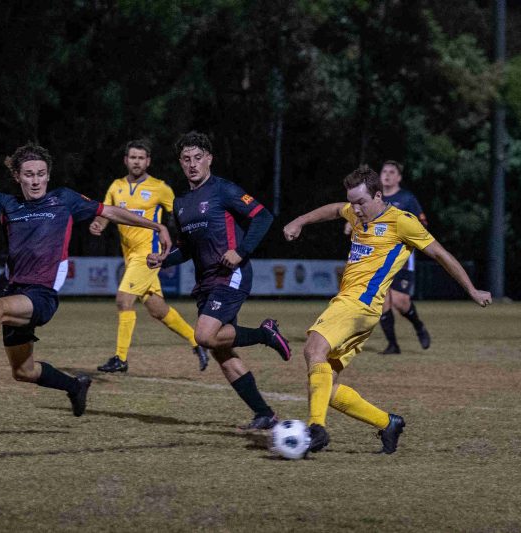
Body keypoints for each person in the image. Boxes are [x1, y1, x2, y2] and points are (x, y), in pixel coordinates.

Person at [0, 143, 171, 418]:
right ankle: (75, 386)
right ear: (17, 176)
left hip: (42, 296)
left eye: (41, 174)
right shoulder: (8, 204)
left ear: (48, 176)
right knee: (23, 371)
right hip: (17, 292)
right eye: (29, 174)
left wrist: (156, 225)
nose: (35, 181)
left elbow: (110, 211)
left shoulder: (64, 200)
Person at [283, 165, 491, 454]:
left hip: (359, 303)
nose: (355, 209)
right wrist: (299, 221)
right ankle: (388, 423)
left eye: (361, 202)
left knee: (313, 349)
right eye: (353, 203)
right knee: (325, 385)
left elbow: (441, 254)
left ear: (378, 196)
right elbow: (334, 210)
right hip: (360, 308)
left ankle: (316, 429)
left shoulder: (401, 222)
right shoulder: (356, 213)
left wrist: (471, 290)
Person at [147, 131, 293, 430]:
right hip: (205, 283)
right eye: (186, 159)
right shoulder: (181, 203)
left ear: (209, 159)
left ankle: (265, 334)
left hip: (230, 276)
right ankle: (264, 413)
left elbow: (263, 217)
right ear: (180, 163)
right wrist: (164, 259)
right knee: (221, 351)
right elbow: (187, 248)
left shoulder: (223, 189)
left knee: (204, 335)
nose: (192, 164)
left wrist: (241, 251)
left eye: (198, 158)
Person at [89, 139, 209, 373]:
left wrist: (191, 235)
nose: (137, 162)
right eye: (133, 157)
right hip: (129, 256)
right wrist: (98, 224)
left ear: (148, 161)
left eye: (141, 158)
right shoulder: (116, 186)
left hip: (147, 256)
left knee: (124, 300)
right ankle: (196, 341)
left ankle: (120, 359)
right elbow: (106, 212)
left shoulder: (159, 188)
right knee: (158, 310)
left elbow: (181, 212)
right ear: (126, 160)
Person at [378, 160, 430, 354]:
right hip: (379, 256)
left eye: (392, 172)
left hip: (402, 256)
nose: (387, 175)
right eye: (384, 171)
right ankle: (393, 345)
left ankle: (418, 325)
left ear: (399, 177)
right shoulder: (375, 197)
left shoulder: (407, 198)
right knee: (381, 299)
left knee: (400, 302)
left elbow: (423, 224)